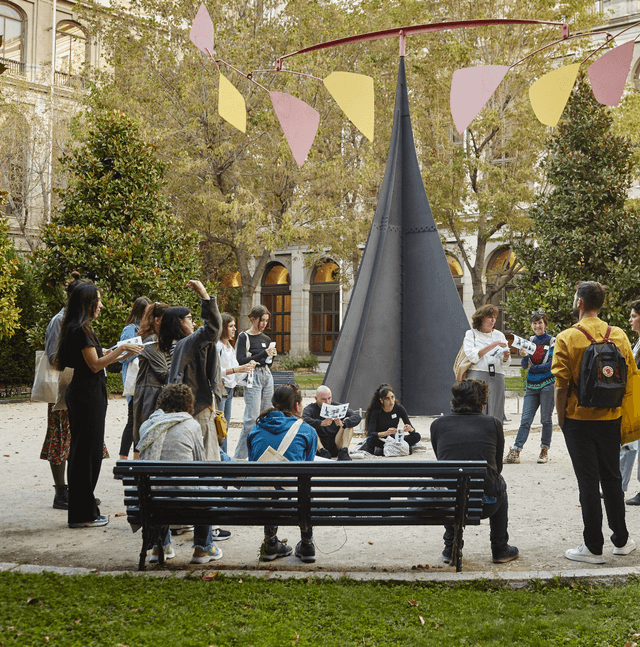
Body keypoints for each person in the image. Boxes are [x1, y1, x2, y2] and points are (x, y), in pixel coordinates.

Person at [552, 281, 638, 563]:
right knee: (612, 477)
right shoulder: (620, 335)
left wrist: (561, 417)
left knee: (587, 481)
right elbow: (630, 378)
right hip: (611, 417)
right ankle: (621, 540)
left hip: (578, 419)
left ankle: (593, 546)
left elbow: (561, 384)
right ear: (600, 303)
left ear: (579, 302)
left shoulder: (567, 338)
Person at [56, 282, 142, 528]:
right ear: (88, 303)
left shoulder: (78, 328)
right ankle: (83, 513)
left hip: (86, 393)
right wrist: (122, 348)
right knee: (87, 454)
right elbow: (95, 365)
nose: (102, 306)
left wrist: (120, 352)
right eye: (99, 301)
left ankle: (84, 509)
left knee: (86, 452)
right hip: (86, 395)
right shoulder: (80, 329)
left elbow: (94, 359)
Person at [430, 379, 519, 564]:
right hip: (484, 503)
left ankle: (450, 547)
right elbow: (497, 467)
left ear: (454, 400)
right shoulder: (493, 424)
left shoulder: (438, 425)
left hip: (449, 504)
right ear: (482, 402)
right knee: (499, 484)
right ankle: (500, 547)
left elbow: (442, 462)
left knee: (450, 482)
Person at [137, 383, 224, 564]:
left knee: (159, 484)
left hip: (151, 501)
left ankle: (160, 546)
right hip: (185, 500)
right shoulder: (190, 425)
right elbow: (201, 464)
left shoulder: (148, 426)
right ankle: (202, 548)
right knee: (205, 482)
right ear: (188, 404)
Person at [41, 271, 100, 510]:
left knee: (78, 441)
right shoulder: (62, 321)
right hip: (63, 390)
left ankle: (78, 491)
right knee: (61, 440)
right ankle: (61, 492)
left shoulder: (79, 321)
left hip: (76, 388)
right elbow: (55, 358)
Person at [247, 384, 317, 563]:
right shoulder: (307, 431)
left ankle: (270, 542)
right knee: (303, 487)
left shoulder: (255, 430)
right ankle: (307, 543)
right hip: (295, 498)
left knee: (269, 484)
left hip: (263, 498)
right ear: (297, 405)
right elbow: (308, 470)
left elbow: (254, 463)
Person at [164, 280, 223, 463]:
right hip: (198, 411)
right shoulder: (188, 343)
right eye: (189, 318)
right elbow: (213, 328)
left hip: (182, 412)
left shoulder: (172, 347)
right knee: (207, 461)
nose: (193, 321)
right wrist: (204, 295)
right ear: (179, 322)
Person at [505, 311, 556, 464]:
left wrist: (534, 368)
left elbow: (551, 365)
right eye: (534, 323)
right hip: (531, 386)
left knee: (546, 420)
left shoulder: (553, 341)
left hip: (548, 384)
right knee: (525, 420)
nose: (537, 326)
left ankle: (544, 449)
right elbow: (524, 366)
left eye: (540, 322)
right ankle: (516, 450)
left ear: (545, 324)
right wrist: (525, 356)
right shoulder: (529, 341)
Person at [234, 305, 278, 459]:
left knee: (266, 416)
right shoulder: (244, 337)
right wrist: (263, 354)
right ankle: (239, 457)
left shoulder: (266, 338)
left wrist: (270, 356)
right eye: (262, 320)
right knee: (251, 418)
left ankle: (261, 454)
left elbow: (267, 362)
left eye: (266, 320)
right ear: (253, 319)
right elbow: (241, 360)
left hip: (266, 374)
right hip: (253, 375)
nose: (264, 323)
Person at [463, 304, 511, 422]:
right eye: (490, 317)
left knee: (496, 411)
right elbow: (472, 356)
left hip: (497, 375)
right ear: (481, 318)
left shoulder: (499, 335)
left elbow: (506, 364)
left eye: (495, 317)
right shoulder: (471, 334)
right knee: (477, 408)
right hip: (477, 375)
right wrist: (492, 346)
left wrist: (506, 357)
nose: (493, 320)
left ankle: (494, 436)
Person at [132, 301, 169, 450]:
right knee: (147, 440)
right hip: (150, 395)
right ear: (157, 320)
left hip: (150, 392)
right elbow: (164, 373)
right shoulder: (152, 341)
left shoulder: (156, 339)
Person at [118, 296, 152, 459]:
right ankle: (123, 458)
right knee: (133, 420)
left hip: (144, 380)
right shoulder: (130, 330)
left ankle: (136, 457)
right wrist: (138, 350)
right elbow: (122, 357)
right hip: (133, 380)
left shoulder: (148, 330)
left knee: (141, 420)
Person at [216, 313, 255, 454]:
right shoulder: (217, 347)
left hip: (230, 390)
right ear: (223, 327)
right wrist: (236, 369)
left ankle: (224, 458)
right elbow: (215, 371)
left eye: (234, 326)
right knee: (218, 427)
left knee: (224, 427)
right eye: (231, 326)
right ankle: (220, 459)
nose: (234, 329)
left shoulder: (229, 348)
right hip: (220, 389)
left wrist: (247, 368)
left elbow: (237, 376)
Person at [302, 385, 361, 461]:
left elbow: (357, 416)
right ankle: (322, 451)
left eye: (329, 398)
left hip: (336, 444)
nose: (327, 402)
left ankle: (344, 451)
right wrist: (320, 423)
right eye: (324, 399)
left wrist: (343, 423)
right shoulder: (310, 409)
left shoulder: (337, 406)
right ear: (316, 399)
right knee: (309, 427)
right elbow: (303, 419)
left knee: (349, 424)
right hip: (319, 447)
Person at [362, 384, 420, 455]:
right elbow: (370, 433)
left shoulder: (399, 408)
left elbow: (412, 431)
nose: (391, 401)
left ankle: (383, 451)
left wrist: (409, 429)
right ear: (381, 400)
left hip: (394, 438)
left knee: (417, 436)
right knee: (369, 440)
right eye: (387, 399)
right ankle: (399, 449)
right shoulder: (376, 411)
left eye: (392, 397)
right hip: (382, 439)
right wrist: (386, 433)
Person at [624, 300, 640, 505]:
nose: (630, 319)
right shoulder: (637, 342)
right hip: (634, 397)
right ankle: (619, 484)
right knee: (628, 443)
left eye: (634, 316)